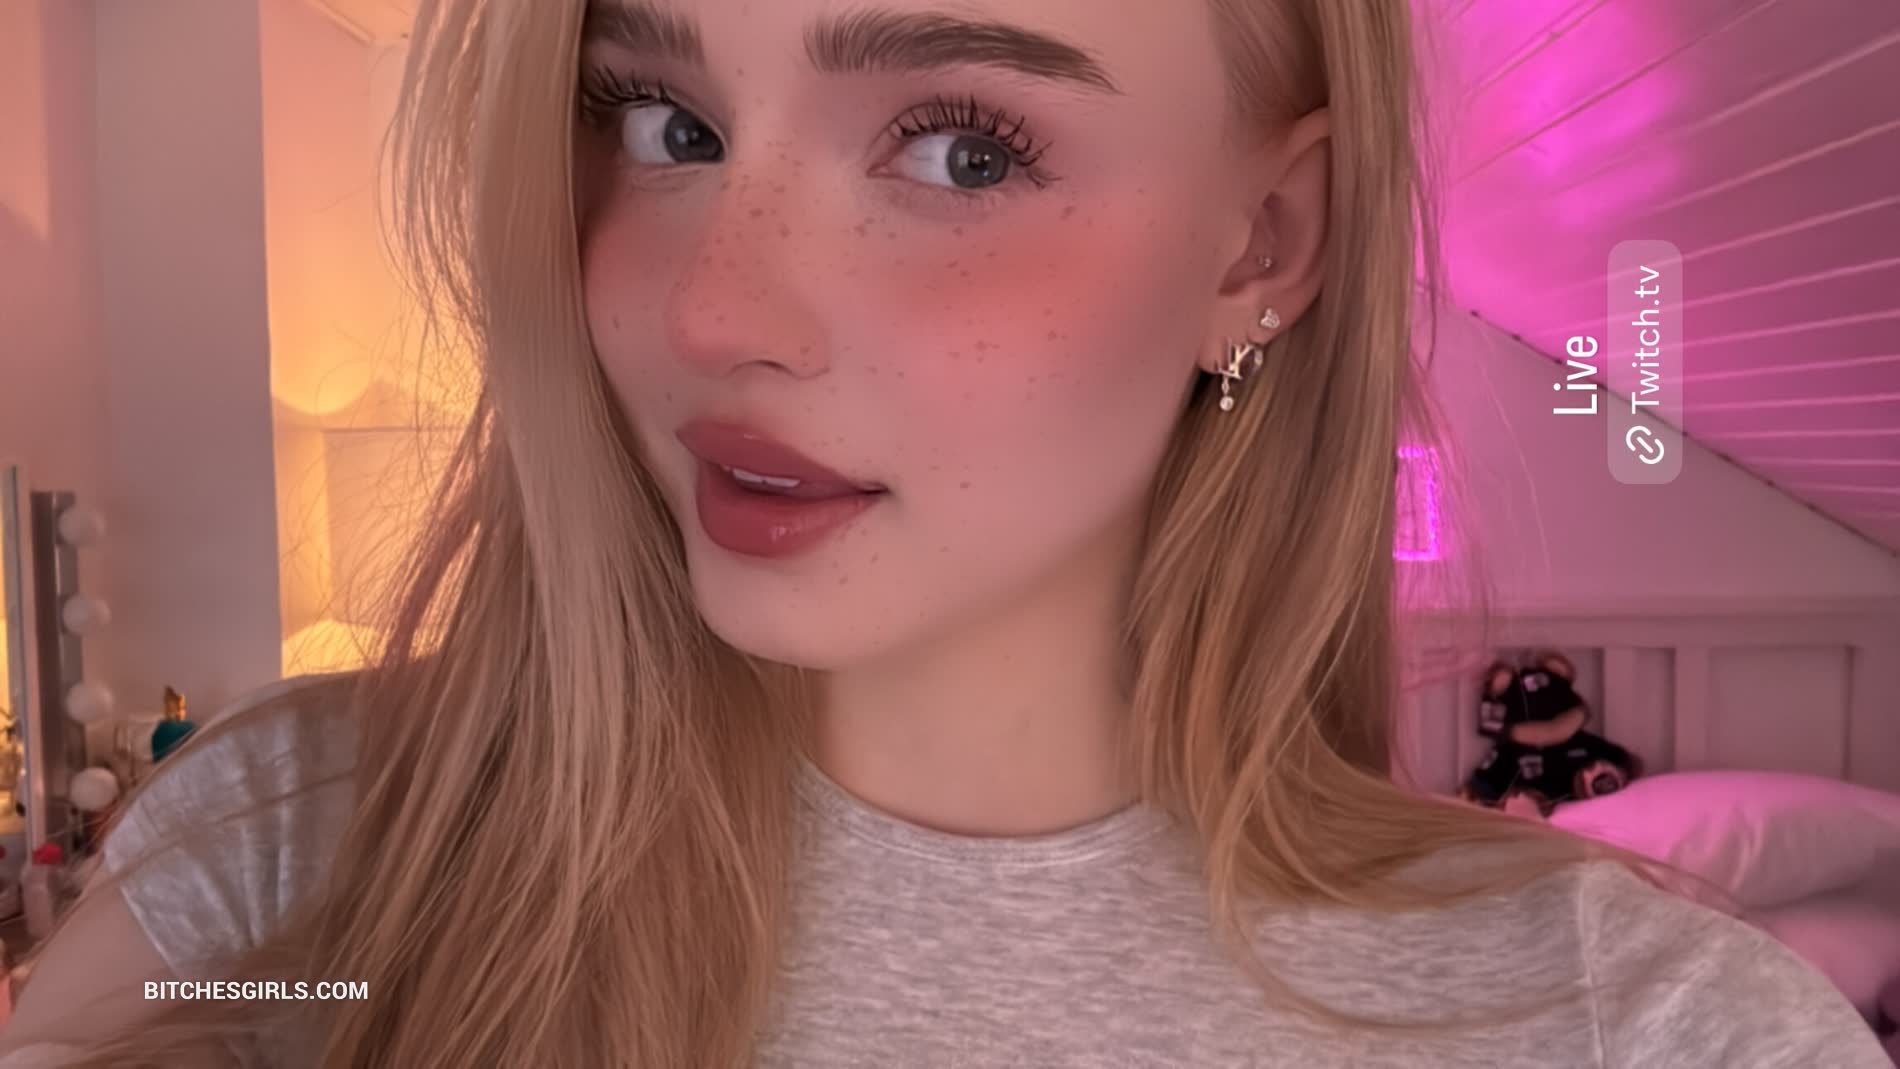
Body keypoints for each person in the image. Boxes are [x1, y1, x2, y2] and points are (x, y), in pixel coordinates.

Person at [0, 0, 1886, 1066]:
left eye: (963, 149)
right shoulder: (302, 873)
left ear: (1263, 245)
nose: (715, 312)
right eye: (661, 123)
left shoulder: (1638, 1026)